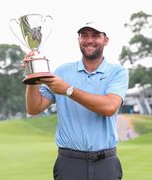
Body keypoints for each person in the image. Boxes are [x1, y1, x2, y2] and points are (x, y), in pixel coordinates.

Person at [24, 21, 129, 180]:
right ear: (79, 40)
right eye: (84, 35)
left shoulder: (117, 72)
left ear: (105, 40)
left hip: (105, 163)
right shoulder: (62, 71)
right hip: (69, 163)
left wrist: (68, 90)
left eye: (95, 35)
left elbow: (109, 107)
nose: (89, 40)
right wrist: (31, 75)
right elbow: (34, 108)